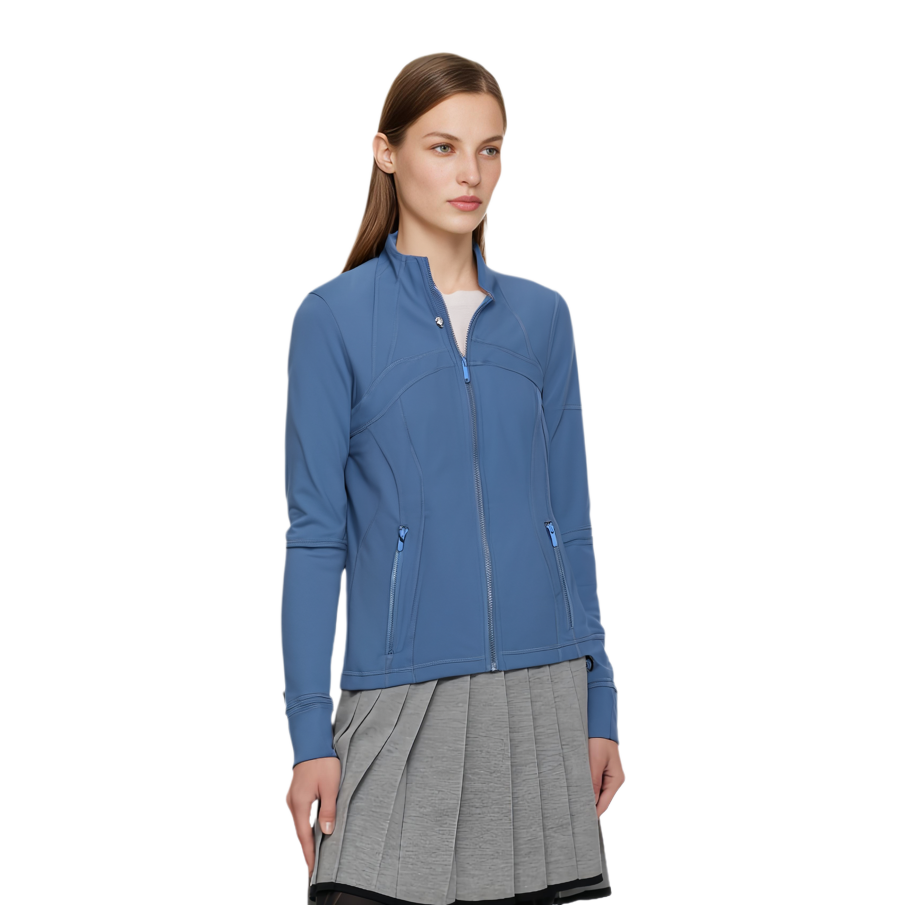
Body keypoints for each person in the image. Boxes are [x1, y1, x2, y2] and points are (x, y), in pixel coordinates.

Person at [282, 52, 625, 905]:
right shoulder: (333, 319)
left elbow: (569, 520)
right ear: (387, 152)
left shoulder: (542, 318)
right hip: (401, 695)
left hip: (541, 695)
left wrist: (599, 698)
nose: (471, 173)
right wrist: (309, 732)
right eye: (443, 147)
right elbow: (316, 537)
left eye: (489, 149)